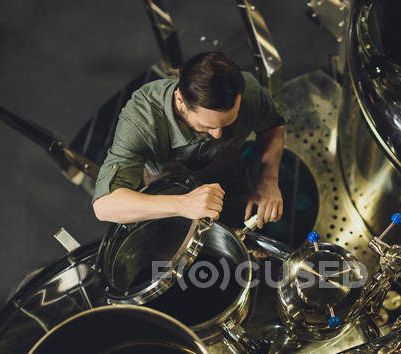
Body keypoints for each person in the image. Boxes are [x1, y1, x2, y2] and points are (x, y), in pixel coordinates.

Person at [92, 51, 285, 228]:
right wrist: (182, 204)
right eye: (207, 126)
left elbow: (272, 125)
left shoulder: (249, 91)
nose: (218, 135)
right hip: (170, 189)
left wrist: (268, 179)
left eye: (227, 123)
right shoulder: (143, 118)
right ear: (180, 100)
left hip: (228, 171)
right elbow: (105, 205)